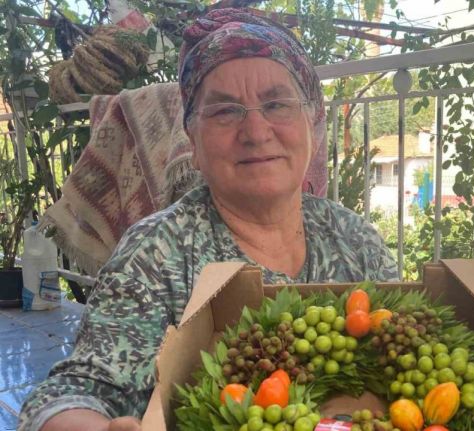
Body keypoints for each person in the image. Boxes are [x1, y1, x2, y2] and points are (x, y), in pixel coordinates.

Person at [19, 8, 398, 431]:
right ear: (193, 143)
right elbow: (76, 391)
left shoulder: (355, 240)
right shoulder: (158, 252)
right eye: (225, 111)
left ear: (312, 124)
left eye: (276, 104)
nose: (256, 131)